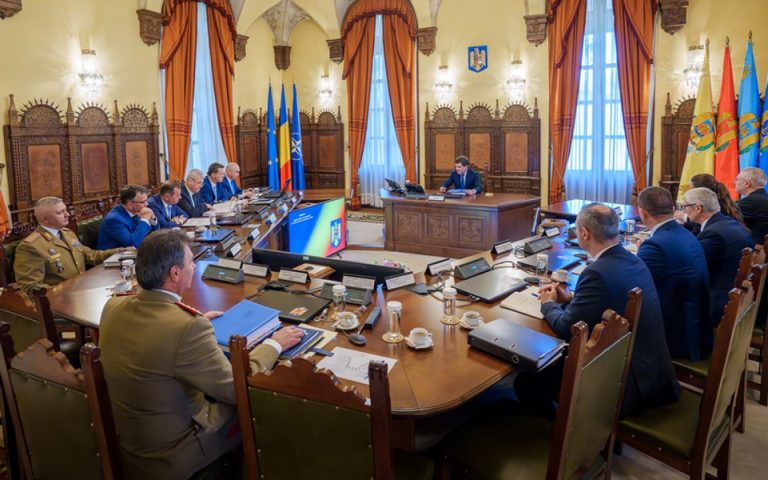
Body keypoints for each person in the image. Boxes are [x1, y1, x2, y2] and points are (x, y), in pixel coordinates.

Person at [99, 230, 305, 479]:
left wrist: (189, 323)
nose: (194, 266)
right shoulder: (187, 326)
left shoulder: (113, 306)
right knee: (267, 404)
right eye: (190, 262)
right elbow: (236, 389)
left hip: (133, 447)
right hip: (177, 455)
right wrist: (274, 344)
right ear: (175, 273)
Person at [536, 203, 680, 418]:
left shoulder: (596, 273)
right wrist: (571, 298)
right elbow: (611, 297)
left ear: (585, 233)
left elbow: (566, 328)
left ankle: (566, 430)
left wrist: (548, 303)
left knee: (530, 380)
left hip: (626, 386)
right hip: (652, 372)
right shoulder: (634, 260)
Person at [636, 187, 713, 361]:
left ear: (643, 212)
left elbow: (633, 286)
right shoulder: (685, 234)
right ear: (672, 209)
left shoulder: (655, 245)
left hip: (677, 340)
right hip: (698, 330)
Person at [14, 197, 128, 291]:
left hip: (82, 289)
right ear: (45, 220)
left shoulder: (67, 233)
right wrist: (63, 292)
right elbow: (30, 286)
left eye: (65, 210)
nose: (67, 214)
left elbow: (89, 255)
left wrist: (119, 251)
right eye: (60, 212)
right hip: (61, 300)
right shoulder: (31, 246)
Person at [683, 187, 754, 326]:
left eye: (685, 206)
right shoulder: (727, 223)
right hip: (735, 292)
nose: (684, 210)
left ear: (697, 208)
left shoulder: (713, 234)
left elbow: (690, 266)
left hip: (718, 301)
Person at [675, 173, 744, 234]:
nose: (688, 192)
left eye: (691, 189)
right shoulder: (722, 203)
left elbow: (696, 235)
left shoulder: (714, 208)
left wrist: (685, 218)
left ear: (702, 191)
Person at [96, 184, 159, 249]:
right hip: (115, 254)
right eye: (143, 202)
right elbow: (133, 244)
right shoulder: (114, 220)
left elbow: (156, 235)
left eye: (146, 200)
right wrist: (144, 220)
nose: (147, 204)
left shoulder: (136, 212)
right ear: (130, 205)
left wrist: (152, 219)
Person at [735, 167, 768, 246]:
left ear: (747, 183)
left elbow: (724, 219)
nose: (734, 182)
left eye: (737, 179)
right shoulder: (763, 198)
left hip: (756, 250)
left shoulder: (749, 202)